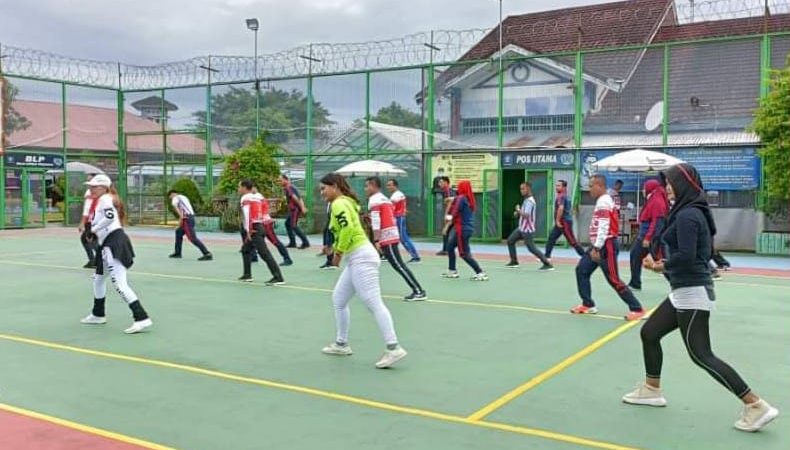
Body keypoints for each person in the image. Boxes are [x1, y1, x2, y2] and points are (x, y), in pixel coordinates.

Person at [622, 163, 778, 432]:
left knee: (701, 354)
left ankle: (755, 405)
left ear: (682, 184)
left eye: (670, 183)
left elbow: (690, 256)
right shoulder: (689, 212)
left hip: (692, 292)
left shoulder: (688, 215)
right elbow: (696, 253)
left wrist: (660, 265)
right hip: (682, 291)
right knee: (650, 333)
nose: (666, 188)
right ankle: (651, 389)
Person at [319, 173, 407, 369]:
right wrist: (334, 246)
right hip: (357, 257)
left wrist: (338, 252)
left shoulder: (339, 204)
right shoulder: (347, 202)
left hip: (361, 257)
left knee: (373, 303)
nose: (322, 193)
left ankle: (393, 348)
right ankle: (341, 344)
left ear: (334, 186)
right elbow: (346, 228)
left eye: (324, 188)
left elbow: (348, 229)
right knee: (339, 300)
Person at [79, 174, 152, 334]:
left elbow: (110, 218)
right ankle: (98, 314)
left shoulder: (105, 199)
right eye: (90, 186)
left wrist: (93, 230)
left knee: (120, 284)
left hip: (114, 243)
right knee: (98, 279)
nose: (90, 189)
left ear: (103, 187)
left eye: (93, 186)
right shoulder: (100, 200)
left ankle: (142, 318)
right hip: (106, 244)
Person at [571, 174, 646, 321]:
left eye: (591, 186)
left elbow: (604, 226)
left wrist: (597, 248)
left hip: (607, 245)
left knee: (613, 279)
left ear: (600, 186)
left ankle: (637, 309)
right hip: (599, 244)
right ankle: (588, 304)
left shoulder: (604, 201)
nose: (589, 189)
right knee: (581, 270)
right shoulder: (602, 200)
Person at [365, 177, 426, 301]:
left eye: (367, 186)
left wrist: (376, 240)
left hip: (387, 236)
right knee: (398, 264)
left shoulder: (374, 200)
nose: (365, 189)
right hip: (392, 233)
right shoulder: (385, 198)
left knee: (398, 265)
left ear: (373, 185)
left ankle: (419, 291)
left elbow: (377, 222)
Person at [238, 180, 285, 285]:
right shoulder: (259, 196)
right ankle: (247, 275)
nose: (239, 189)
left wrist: (248, 230)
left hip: (254, 228)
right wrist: (268, 220)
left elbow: (247, 214)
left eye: (239, 187)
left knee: (264, 253)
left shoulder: (245, 198)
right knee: (245, 250)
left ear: (245, 187)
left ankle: (278, 277)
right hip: (260, 226)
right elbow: (265, 211)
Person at [628, 179, 669, 291]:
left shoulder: (656, 201)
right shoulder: (653, 199)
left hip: (651, 238)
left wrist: (648, 238)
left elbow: (656, 222)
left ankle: (678, 285)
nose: (643, 190)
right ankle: (635, 283)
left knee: (662, 262)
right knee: (635, 255)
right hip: (646, 236)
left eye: (644, 188)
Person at [443, 180, 488, 281]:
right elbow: (455, 201)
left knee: (464, 253)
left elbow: (454, 211)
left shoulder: (461, 198)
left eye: (459, 187)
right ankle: (452, 270)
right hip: (466, 229)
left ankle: (480, 272)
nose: (457, 189)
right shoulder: (468, 199)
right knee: (450, 247)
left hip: (462, 230)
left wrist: (448, 219)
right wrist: (451, 199)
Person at [505, 182, 554, 271]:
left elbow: (527, 215)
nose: (521, 191)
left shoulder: (530, 201)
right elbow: (523, 213)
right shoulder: (526, 200)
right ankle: (514, 261)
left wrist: (518, 210)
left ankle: (547, 263)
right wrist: (518, 213)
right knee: (510, 241)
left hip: (527, 229)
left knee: (531, 248)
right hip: (521, 228)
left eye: (523, 189)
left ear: (528, 189)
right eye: (520, 189)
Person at [167, 190, 213, 261]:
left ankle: (207, 253)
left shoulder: (176, 198)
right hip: (190, 217)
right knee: (178, 232)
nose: (171, 198)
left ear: (172, 194)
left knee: (192, 238)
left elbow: (175, 206)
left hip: (187, 219)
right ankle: (177, 252)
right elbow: (183, 209)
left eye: (170, 197)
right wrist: (180, 223)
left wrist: (181, 217)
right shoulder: (184, 197)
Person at [544, 180, 584, 259]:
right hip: (562, 222)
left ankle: (586, 257)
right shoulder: (566, 196)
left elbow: (561, 208)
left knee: (572, 241)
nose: (556, 187)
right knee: (552, 238)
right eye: (556, 185)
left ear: (564, 187)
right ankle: (546, 256)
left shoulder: (561, 196)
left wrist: (558, 221)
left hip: (564, 222)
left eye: (559, 186)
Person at [386, 179, 420, 264]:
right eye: (387, 185)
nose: (388, 187)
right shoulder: (397, 194)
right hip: (398, 218)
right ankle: (388, 254)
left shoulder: (396, 196)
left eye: (390, 185)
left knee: (403, 238)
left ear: (395, 186)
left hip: (399, 218)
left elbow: (391, 208)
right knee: (395, 238)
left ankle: (415, 257)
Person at [256, 188, 293, 266]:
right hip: (259, 223)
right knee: (253, 241)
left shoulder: (257, 197)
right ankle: (252, 257)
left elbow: (261, 210)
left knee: (275, 241)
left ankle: (287, 259)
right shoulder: (255, 197)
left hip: (265, 223)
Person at [280, 174, 310, 249]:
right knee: (287, 223)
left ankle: (305, 242)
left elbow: (295, 198)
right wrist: (302, 207)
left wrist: (302, 208)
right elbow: (300, 198)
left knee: (293, 225)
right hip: (293, 209)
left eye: (281, 180)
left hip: (294, 209)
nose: (280, 182)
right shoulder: (291, 187)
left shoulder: (289, 187)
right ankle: (292, 242)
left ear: (286, 180)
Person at [78, 177, 99, 269]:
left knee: (91, 240)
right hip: (92, 221)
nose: (90, 187)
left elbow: (88, 210)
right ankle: (93, 260)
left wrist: (84, 223)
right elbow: (87, 209)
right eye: (90, 185)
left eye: (92, 186)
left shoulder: (101, 197)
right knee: (87, 239)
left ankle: (99, 260)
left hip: (94, 221)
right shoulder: (89, 193)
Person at [436, 176, 455, 256]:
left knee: (445, 231)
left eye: (441, 182)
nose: (439, 184)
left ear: (446, 182)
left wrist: (446, 215)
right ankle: (446, 249)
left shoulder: (448, 191)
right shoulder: (445, 191)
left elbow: (450, 204)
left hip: (452, 214)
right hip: (452, 214)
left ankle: (446, 250)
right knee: (446, 231)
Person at [319, 200, 337, 270]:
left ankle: (331, 262)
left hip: (333, 222)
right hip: (329, 220)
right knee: (326, 237)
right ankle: (329, 260)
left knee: (330, 241)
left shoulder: (337, 202)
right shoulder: (330, 201)